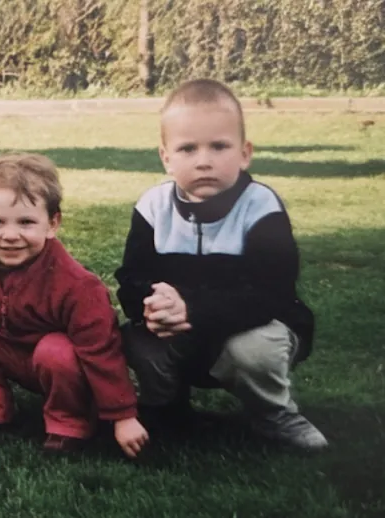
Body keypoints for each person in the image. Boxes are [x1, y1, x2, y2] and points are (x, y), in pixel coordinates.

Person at [115, 78, 328, 450]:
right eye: (187, 148)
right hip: (179, 330)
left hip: (252, 327)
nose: (204, 160)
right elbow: (131, 278)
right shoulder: (152, 206)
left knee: (253, 351)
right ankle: (165, 410)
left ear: (245, 153)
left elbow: (270, 294)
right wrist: (152, 307)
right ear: (166, 157)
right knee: (136, 339)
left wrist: (193, 309)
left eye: (219, 146)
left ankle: (274, 414)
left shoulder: (261, 206)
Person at [0, 153, 148, 456]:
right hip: (8, 349)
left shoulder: (77, 285)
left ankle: (68, 420)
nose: (11, 235)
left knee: (55, 349)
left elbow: (101, 349)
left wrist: (123, 416)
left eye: (26, 222)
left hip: (63, 364)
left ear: (52, 223)